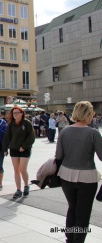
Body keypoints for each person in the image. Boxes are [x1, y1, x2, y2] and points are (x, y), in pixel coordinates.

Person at [55, 101, 102, 243]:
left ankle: (70, 239)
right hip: (87, 177)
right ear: (88, 113)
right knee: (83, 213)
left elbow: (58, 156)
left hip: (66, 175)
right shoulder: (93, 133)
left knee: (72, 208)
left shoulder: (65, 131)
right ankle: (78, 240)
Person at [3, 106, 35, 199]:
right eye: (14, 113)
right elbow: (7, 137)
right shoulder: (11, 124)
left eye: (17, 113)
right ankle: (18, 189)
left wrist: (24, 146)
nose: (16, 115)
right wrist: (5, 149)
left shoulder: (27, 123)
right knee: (16, 170)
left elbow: (31, 137)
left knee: (22, 169)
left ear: (22, 113)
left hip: (25, 149)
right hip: (14, 149)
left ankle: (26, 185)